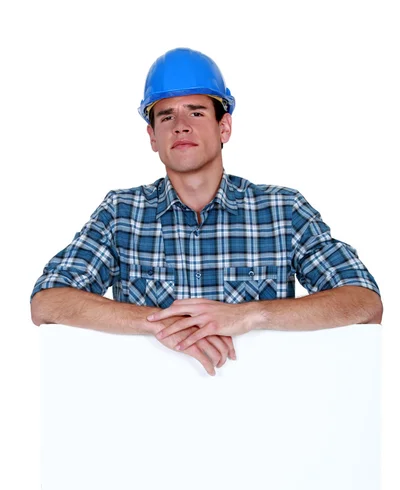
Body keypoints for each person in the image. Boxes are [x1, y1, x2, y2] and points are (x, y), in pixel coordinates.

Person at [30, 47, 383, 376]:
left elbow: (364, 302)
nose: (181, 125)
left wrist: (249, 315)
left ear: (223, 127)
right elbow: (48, 302)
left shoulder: (282, 211)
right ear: (153, 136)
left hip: (271, 417)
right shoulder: (121, 213)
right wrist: (161, 323)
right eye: (167, 116)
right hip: (144, 417)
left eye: (196, 112)